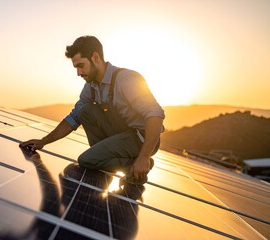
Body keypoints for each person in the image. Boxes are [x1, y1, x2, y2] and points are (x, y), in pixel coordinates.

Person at [20, 35, 165, 185]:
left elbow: (156, 115)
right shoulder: (91, 86)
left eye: (81, 66)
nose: (79, 73)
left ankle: (135, 165)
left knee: (85, 160)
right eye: (76, 68)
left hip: (140, 138)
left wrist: (144, 157)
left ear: (95, 57)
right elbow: (73, 118)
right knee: (84, 110)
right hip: (120, 134)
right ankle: (125, 163)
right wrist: (43, 141)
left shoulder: (126, 79)